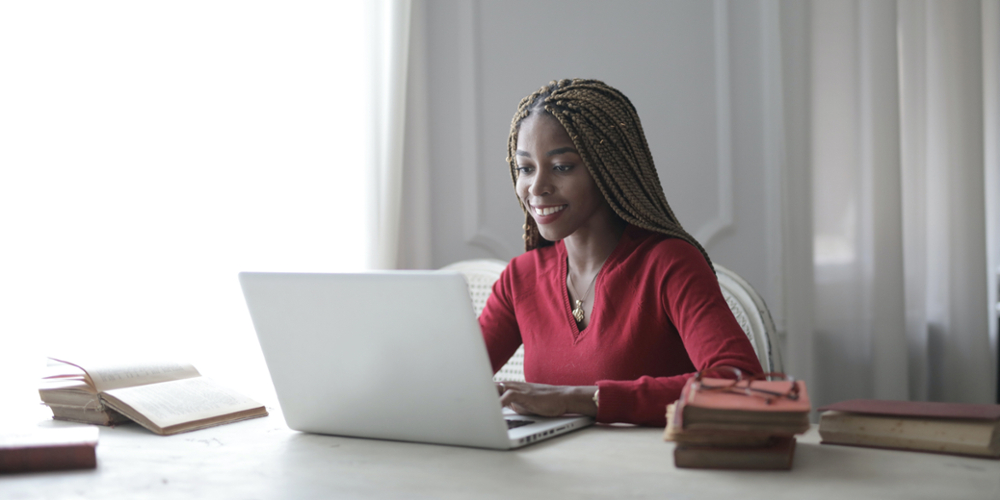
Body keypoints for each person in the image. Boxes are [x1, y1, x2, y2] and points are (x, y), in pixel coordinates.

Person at [479, 79, 763, 427]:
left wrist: (577, 399)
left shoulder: (669, 263)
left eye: (562, 167)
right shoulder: (520, 278)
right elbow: (452, 381)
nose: (536, 187)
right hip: (551, 472)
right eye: (526, 168)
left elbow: (742, 384)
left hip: (651, 473)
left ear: (607, 168)